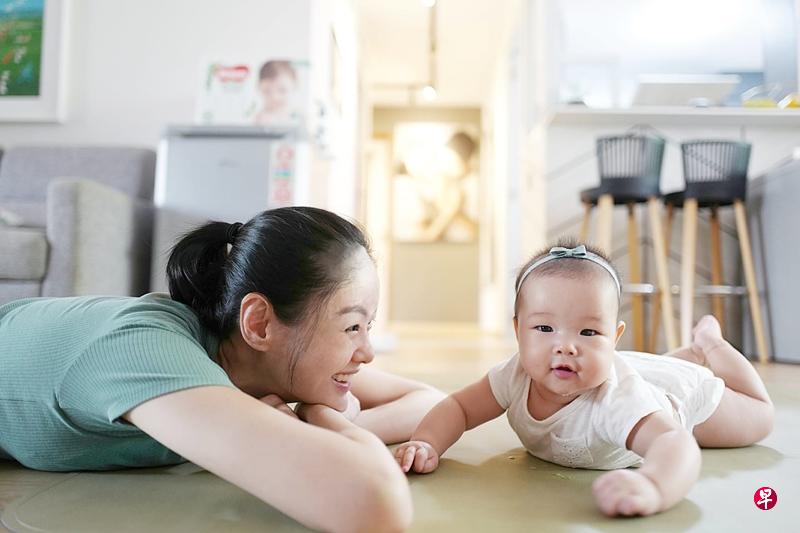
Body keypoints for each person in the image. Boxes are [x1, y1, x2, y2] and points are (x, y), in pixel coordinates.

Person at [0, 206, 445, 532]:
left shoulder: (260, 359)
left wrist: (312, 422)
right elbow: (374, 504)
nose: (366, 352)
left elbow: (429, 402)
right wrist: (325, 422)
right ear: (259, 323)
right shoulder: (150, 351)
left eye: (367, 326)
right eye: (351, 326)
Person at [394, 239, 774, 517]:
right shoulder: (516, 374)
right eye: (544, 328)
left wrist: (654, 485)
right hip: (638, 373)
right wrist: (427, 442)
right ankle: (687, 352)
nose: (566, 347)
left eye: (588, 333)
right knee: (644, 371)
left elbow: (675, 442)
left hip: (682, 396)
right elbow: (459, 407)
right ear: (518, 331)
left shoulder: (617, 401)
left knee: (759, 418)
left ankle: (711, 346)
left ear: (615, 337)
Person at [253, 60, 298, 125]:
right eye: (267, 91)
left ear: (294, 87)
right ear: (259, 88)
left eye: (282, 90)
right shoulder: (259, 120)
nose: (274, 97)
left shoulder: (301, 119)